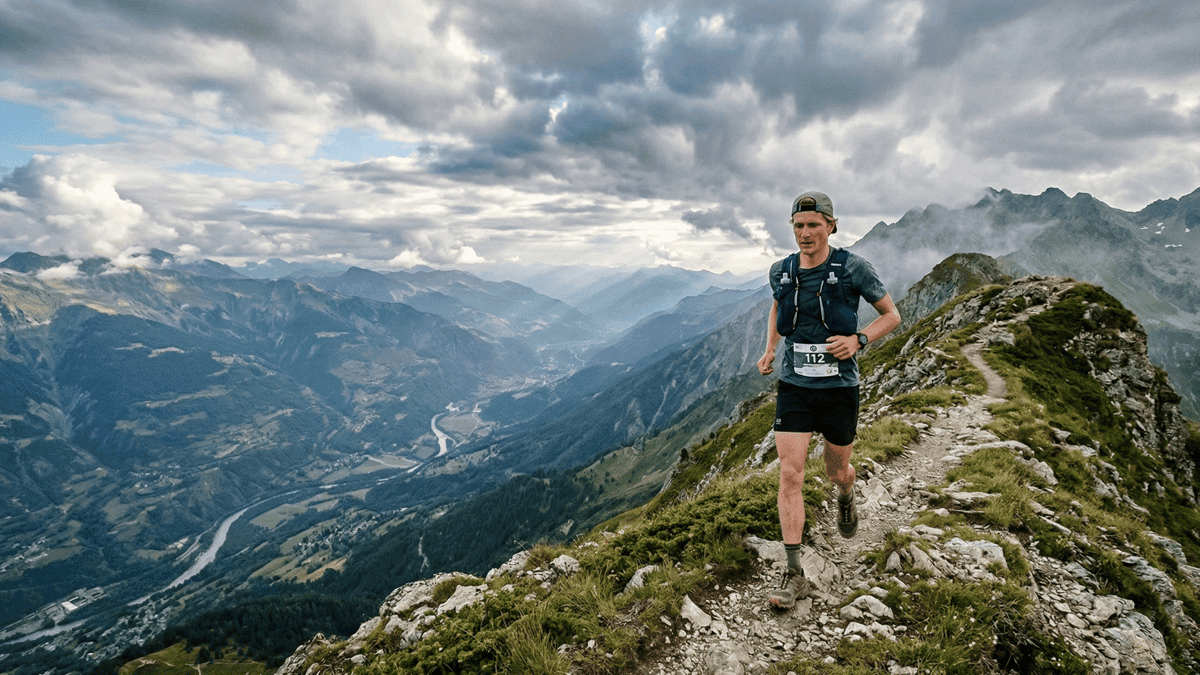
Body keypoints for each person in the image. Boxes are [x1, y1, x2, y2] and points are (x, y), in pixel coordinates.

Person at [756, 191, 900, 610]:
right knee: (790, 475)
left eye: (813, 225)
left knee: (836, 470)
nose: (805, 233)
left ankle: (846, 491)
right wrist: (770, 349)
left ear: (831, 226)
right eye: (798, 226)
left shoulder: (852, 267)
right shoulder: (780, 271)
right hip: (795, 386)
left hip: (839, 389)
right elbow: (777, 308)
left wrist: (859, 340)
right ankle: (794, 572)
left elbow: (891, 315)